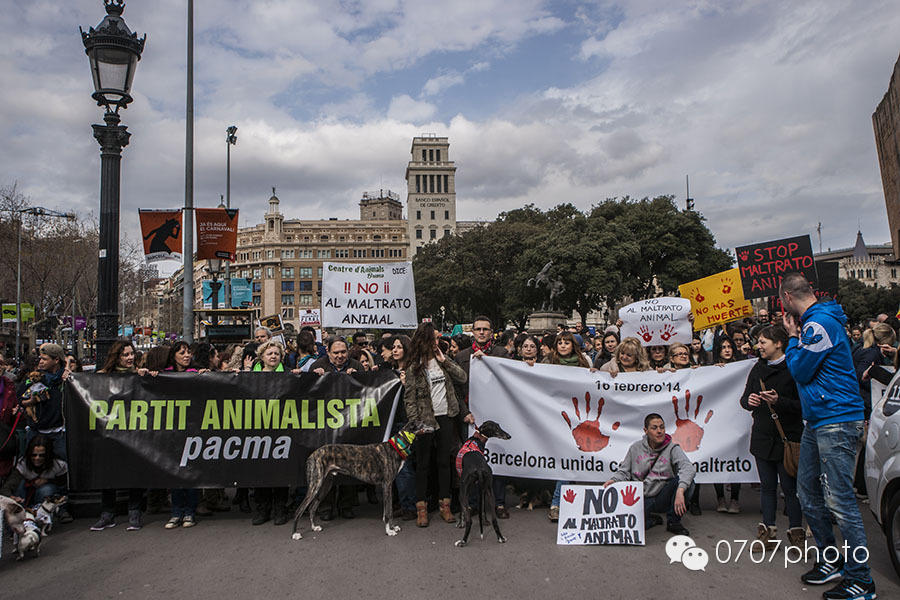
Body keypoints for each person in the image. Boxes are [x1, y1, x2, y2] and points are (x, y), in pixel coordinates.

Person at [780, 272, 875, 599]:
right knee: (808, 492)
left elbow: (800, 370)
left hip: (836, 420)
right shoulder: (817, 322)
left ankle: (861, 579)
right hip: (818, 420)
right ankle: (831, 560)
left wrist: (792, 339)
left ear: (788, 299)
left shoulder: (817, 325)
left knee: (840, 501)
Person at [739, 325, 804, 549]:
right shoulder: (757, 369)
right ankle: (767, 532)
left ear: (778, 344)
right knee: (767, 487)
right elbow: (744, 398)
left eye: (763, 342)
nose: (759, 346)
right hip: (763, 437)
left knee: (790, 488)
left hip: (787, 439)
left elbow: (803, 406)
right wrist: (751, 402)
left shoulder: (794, 368)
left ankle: (797, 534)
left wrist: (779, 402)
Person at [403, 322, 470, 527]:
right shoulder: (414, 366)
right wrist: (416, 422)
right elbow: (410, 398)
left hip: (446, 416)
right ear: (425, 340)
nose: (437, 340)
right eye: (434, 337)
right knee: (423, 464)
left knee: (444, 462)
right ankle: (421, 508)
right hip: (425, 419)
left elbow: (462, 377)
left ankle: (445, 505)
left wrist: (445, 360)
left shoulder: (443, 360)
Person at [454, 316, 511, 518]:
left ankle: (499, 502)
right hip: (471, 417)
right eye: (477, 329)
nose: (481, 332)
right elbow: (456, 390)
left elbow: (512, 379)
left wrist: (488, 362)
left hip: (494, 415)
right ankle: (474, 503)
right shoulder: (462, 357)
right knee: (472, 461)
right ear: (473, 332)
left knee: (496, 458)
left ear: (491, 332)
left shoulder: (501, 354)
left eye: (485, 329)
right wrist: (464, 413)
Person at [604, 413, 695, 536]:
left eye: (662, 427)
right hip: (641, 497)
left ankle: (673, 522)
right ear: (646, 431)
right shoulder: (635, 448)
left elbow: (688, 468)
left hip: (662, 496)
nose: (659, 431)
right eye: (654, 428)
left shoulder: (672, 448)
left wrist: (680, 490)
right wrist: (613, 480)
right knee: (634, 526)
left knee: (689, 484)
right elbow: (624, 471)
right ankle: (651, 519)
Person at [91, 341, 149, 532]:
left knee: (134, 472)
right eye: (125, 355)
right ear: (117, 357)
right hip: (111, 433)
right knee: (109, 472)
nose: (130, 358)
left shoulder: (138, 375)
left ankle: (134, 511)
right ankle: (107, 513)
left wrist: (146, 376)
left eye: (132, 354)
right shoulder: (103, 377)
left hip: (134, 432)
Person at [546, 331, 592, 522]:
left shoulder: (584, 364)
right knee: (566, 457)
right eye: (560, 342)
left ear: (574, 345)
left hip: (577, 417)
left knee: (570, 457)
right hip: (555, 415)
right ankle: (559, 501)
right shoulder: (547, 364)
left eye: (567, 342)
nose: (563, 345)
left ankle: (560, 501)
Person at [249, 340, 290, 526]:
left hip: (282, 430)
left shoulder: (289, 374)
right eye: (269, 353)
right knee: (261, 471)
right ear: (262, 357)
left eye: (276, 354)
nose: (273, 356)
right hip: (259, 429)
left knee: (280, 471)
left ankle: (280, 508)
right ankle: (262, 509)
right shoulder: (250, 376)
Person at [164, 341, 199, 529]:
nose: (187, 356)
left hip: (192, 429)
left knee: (190, 472)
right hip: (173, 430)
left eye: (188, 352)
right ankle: (176, 511)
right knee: (176, 472)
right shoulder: (165, 373)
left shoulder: (196, 372)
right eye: (182, 352)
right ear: (174, 355)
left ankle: (189, 512)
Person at [0, 434, 68, 512]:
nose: (37, 458)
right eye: (34, 455)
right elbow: (6, 487)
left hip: (44, 498)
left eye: (41, 455)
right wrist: (12, 497)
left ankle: (39, 512)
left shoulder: (58, 465)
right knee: (20, 484)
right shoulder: (22, 465)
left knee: (47, 490)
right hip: (24, 496)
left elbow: (63, 486)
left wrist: (47, 481)